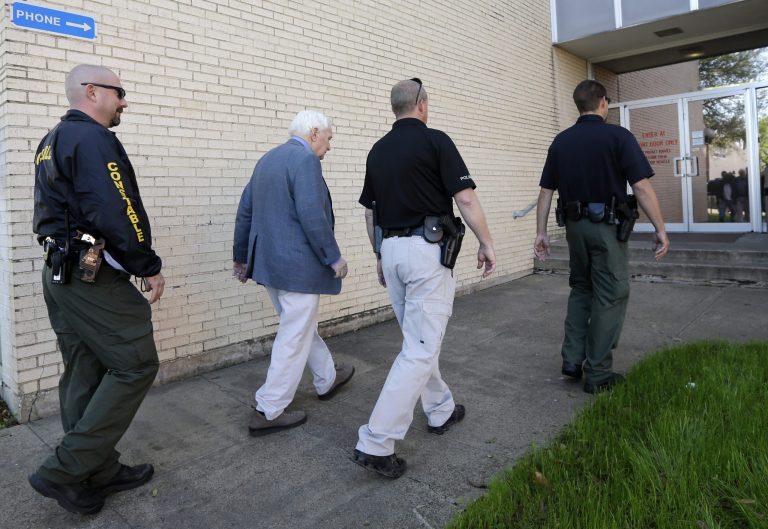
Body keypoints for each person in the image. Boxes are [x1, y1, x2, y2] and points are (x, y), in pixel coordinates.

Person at [30, 65, 165, 515]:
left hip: (61, 273)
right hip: (91, 278)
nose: (124, 101)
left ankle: (98, 469)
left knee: (85, 367)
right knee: (135, 365)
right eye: (119, 92)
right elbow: (118, 208)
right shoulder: (93, 139)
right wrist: (146, 264)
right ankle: (65, 470)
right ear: (92, 92)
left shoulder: (50, 141)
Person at [354, 78, 496, 478]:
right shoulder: (436, 141)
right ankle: (376, 441)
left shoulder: (377, 151)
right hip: (425, 252)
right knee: (418, 348)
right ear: (422, 104)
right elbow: (464, 198)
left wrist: (379, 254)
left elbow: (371, 212)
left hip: (393, 251)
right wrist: (486, 242)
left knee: (417, 338)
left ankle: (440, 410)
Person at [534, 79, 669, 395]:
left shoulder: (561, 141)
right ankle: (598, 374)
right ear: (604, 102)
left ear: (579, 105)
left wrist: (540, 232)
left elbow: (545, 192)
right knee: (611, 293)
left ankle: (572, 360)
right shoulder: (618, 137)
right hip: (606, 228)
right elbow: (641, 187)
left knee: (582, 288)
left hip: (574, 228)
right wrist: (660, 228)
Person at [233, 110, 354, 437]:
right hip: (296, 267)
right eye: (329, 139)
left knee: (299, 326)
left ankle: (327, 378)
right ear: (314, 132)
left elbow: (246, 210)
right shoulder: (304, 161)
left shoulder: (267, 159)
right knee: (294, 333)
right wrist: (334, 258)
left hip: (269, 266)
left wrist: (241, 257)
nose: (329, 147)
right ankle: (269, 409)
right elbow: (312, 214)